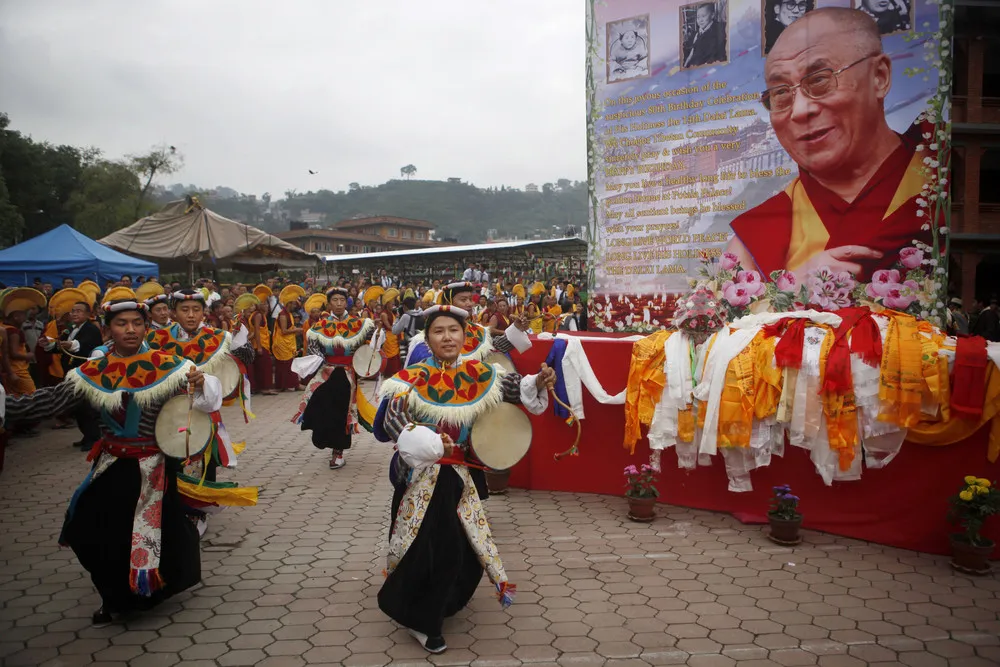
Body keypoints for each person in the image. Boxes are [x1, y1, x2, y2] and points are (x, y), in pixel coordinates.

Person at [3, 298, 221, 626]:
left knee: (158, 533)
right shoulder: (91, 373)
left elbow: (201, 405)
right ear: (108, 329)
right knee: (88, 527)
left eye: (136, 323)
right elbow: (50, 401)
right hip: (112, 463)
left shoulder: (171, 366)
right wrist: (8, 408)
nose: (130, 329)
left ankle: (140, 594)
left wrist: (202, 383)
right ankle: (113, 593)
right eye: (122, 324)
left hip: (153, 467)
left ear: (146, 327)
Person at [374, 305, 555, 653]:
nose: (447, 336)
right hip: (419, 478)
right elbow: (392, 421)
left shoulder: (484, 375)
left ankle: (434, 604)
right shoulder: (410, 378)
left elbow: (520, 389)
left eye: (453, 330)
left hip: (458, 478)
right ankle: (423, 621)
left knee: (458, 552)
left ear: (465, 335)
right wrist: (423, 439)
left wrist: (539, 380)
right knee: (431, 550)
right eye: (438, 331)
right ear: (427, 338)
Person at [727, 7, 932, 283]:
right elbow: (724, 324)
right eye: (780, 93)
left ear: (879, 77)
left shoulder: (942, 178)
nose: (799, 111)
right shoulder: (753, 242)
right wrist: (788, 290)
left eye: (820, 79)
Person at [292, 287, 374, 470]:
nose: (338, 304)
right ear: (329, 304)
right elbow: (314, 352)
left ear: (347, 303)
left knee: (341, 414)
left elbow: (372, 345)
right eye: (335, 300)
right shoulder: (318, 328)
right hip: (326, 373)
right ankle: (325, 439)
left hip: (347, 374)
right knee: (321, 408)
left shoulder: (360, 324)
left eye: (341, 300)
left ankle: (338, 451)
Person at [42, 301, 103, 451]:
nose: (75, 314)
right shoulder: (70, 330)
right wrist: (49, 345)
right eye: (73, 311)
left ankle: (94, 438)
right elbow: (63, 346)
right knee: (77, 407)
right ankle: (86, 435)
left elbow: (85, 345)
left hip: (86, 375)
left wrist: (69, 344)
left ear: (88, 314)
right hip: (72, 373)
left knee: (87, 407)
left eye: (79, 311)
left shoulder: (91, 329)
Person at [272, 286, 304, 392]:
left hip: (288, 343)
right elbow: (284, 331)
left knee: (290, 363)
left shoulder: (289, 314)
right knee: (285, 365)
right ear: (288, 303)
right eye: (293, 303)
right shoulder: (282, 315)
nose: (295, 305)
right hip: (282, 343)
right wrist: (297, 330)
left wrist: (296, 329)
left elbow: (290, 328)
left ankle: (290, 384)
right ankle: (287, 385)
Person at [683, 3, 727, 68]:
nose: (700, 20)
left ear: (712, 15)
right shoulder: (697, 32)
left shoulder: (719, 29)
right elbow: (691, 50)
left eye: (703, 16)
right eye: (698, 17)